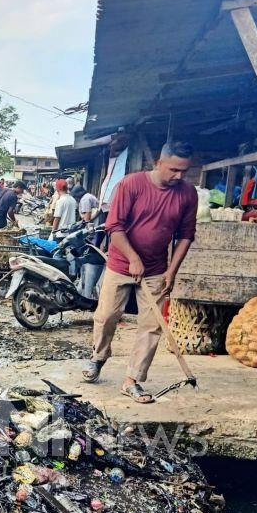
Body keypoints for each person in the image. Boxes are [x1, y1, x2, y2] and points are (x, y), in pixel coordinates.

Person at [82, 142, 198, 403]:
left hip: (157, 269)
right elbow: (114, 226)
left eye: (184, 171)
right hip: (121, 264)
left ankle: (132, 380)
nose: (178, 176)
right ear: (159, 162)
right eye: (173, 170)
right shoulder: (131, 184)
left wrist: (172, 270)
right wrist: (133, 257)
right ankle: (98, 358)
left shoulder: (188, 193)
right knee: (106, 316)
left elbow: (185, 236)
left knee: (151, 325)